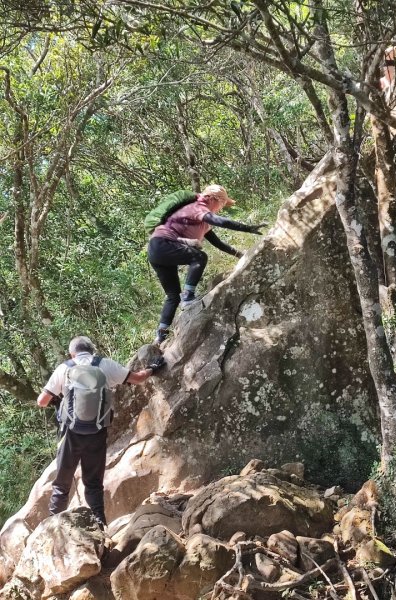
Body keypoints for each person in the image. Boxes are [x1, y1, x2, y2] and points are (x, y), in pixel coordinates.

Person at [36, 335, 164, 529]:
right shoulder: (104, 364)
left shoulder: (64, 368)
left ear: (72, 353)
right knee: (94, 485)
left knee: (62, 485)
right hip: (97, 433)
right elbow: (138, 378)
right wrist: (153, 368)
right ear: (91, 350)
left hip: (70, 434)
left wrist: (58, 400)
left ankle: (55, 529)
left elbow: (41, 401)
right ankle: (101, 529)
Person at [148, 184, 266, 344]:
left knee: (172, 296)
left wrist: (240, 255)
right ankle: (188, 297)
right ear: (211, 199)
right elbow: (220, 221)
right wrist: (247, 228)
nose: (221, 207)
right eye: (222, 203)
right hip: (163, 244)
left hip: (156, 250)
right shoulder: (198, 208)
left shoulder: (201, 219)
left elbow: (218, 243)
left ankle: (161, 335)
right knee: (199, 257)